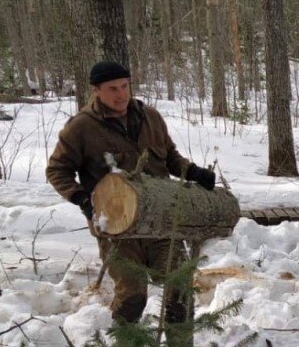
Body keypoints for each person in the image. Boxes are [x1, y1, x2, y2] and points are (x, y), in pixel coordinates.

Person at [46, 61, 215, 331]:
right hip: (116, 228)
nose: (121, 94)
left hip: (160, 221)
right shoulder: (81, 128)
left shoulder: (150, 117)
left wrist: (193, 171)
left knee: (180, 286)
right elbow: (57, 170)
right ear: (96, 91)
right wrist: (83, 200)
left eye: (125, 86)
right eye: (112, 88)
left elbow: (169, 157)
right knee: (133, 297)